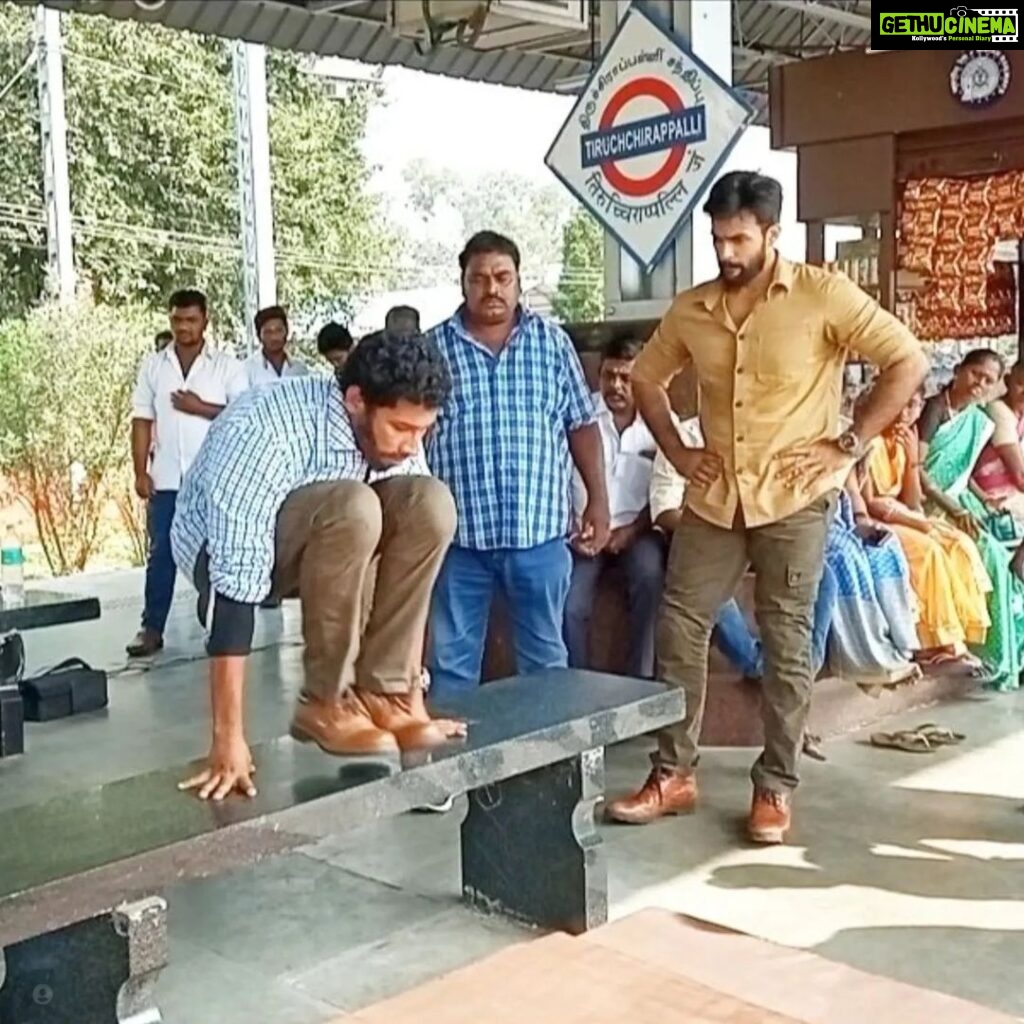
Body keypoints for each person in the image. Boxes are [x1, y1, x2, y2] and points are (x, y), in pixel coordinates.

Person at [605, 171, 928, 843]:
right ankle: (674, 772)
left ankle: (776, 786)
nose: (726, 252)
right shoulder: (694, 308)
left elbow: (906, 361)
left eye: (739, 239)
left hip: (796, 500)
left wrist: (848, 444)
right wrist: (680, 451)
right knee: (680, 625)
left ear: (771, 234)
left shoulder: (822, 295)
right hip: (717, 499)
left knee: (786, 641)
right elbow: (646, 378)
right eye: (718, 238)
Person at [170, 331, 466, 801]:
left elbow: (408, 552)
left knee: (431, 504)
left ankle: (384, 695)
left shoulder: (398, 436)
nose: (412, 445)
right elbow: (233, 585)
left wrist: (412, 697)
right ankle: (325, 701)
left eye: (422, 431)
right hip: (224, 555)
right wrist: (228, 738)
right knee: (354, 505)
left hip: (337, 542)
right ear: (355, 400)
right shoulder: (267, 428)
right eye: (402, 429)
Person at [426, 231, 609, 703]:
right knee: (450, 665)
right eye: (480, 278)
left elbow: (582, 427)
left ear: (519, 281)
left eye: (503, 277)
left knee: (546, 662)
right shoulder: (433, 351)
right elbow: (411, 439)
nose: (492, 288)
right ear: (463, 283)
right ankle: (454, 774)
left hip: (540, 537)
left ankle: (549, 769)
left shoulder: (552, 344)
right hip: (458, 541)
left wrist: (599, 504)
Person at [649, 415, 837, 683]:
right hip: (704, 545)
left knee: (825, 576)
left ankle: (805, 668)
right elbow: (663, 510)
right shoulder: (685, 437)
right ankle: (757, 665)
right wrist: (713, 533)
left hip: (763, 535)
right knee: (709, 591)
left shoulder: (767, 434)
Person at [126, 289, 248, 659]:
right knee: (160, 553)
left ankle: (222, 633)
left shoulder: (227, 366)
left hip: (214, 478)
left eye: (191, 320)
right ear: (170, 320)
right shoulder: (153, 366)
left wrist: (200, 407)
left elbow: (244, 415)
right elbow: (142, 420)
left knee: (219, 555)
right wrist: (140, 471)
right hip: (166, 480)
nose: (183, 327)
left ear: (205, 321)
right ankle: (152, 628)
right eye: (177, 320)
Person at [918, 349, 1024, 689]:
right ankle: (988, 652)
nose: (980, 383)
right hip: (931, 504)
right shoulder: (935, 408)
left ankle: (1008, 654)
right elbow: (917, 470)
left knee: (1004, 549)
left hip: (960, 500)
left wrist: (983, 500)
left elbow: (965, 475)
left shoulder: (975, 417)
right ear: (959, 369)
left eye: (988, 380)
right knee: (990, 555)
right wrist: (954, 508)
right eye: (975, 374)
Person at [864, 387, 991, 665]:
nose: (905, 413)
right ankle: (930, 641)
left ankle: (957, 637)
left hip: (901, 513)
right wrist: (916, 522)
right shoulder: (870, 440)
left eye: (914, 406)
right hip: (876, 520)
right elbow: (871, 502)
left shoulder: (907, 438)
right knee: (929, 550)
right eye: (901, 404)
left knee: (959, 544)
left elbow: (912, 499)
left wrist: (912, 460)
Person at [564, 336, 663, 679]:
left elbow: (669, 492)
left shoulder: (660, 422)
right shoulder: (580, 418)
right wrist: (572, 527)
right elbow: (556, 476)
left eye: (626, 378)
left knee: (651, 578)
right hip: (585, 533)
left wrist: (633, 531)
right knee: (571, 604)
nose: (616, 386)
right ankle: (579, 688)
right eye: (609, 376)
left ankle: (641, 685)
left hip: (638, 532)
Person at [823, 467, 920, 685]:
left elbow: (852, 491)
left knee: (884, 547)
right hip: (811, 523)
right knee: (846, 557)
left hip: (842, 518)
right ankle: (869, 661)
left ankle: (902, 646)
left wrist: (863, 520)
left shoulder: (839, 445)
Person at [972, 361, 1024, 525]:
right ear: (1007, 381)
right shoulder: (999, 411)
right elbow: (1020, 477)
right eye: (1021, 384)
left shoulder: (1020, 413)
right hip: (997, 495)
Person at [245, 305, 309, 387]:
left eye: (279, 330)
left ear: (287, 331)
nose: (274, 337)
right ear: (259, 336)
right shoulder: (247, 370)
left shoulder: (300, 369)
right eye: (268, 332)